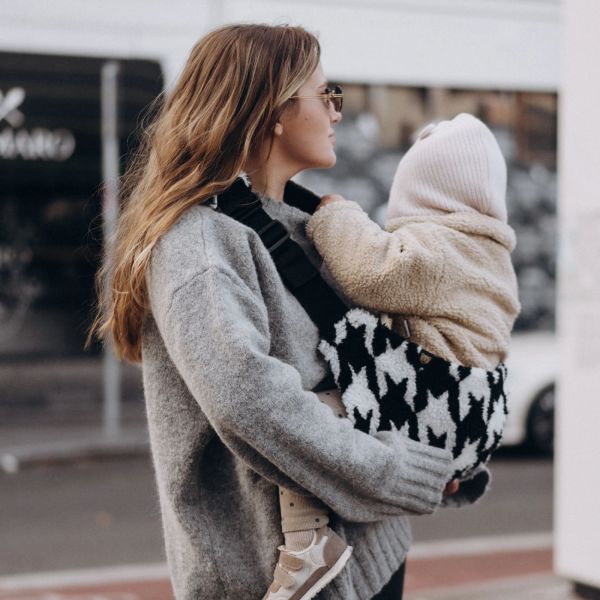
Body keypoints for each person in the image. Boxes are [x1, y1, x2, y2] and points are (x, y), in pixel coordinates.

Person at [88, 24, 485, 600]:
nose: (337, 112)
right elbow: (253, 400)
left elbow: (360, 369)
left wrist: (448, 453)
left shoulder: (309, 224)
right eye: (326, 95)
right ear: (273, 112)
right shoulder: (199, 244)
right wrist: (403, 472)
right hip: (280, 582)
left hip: (369, 552)